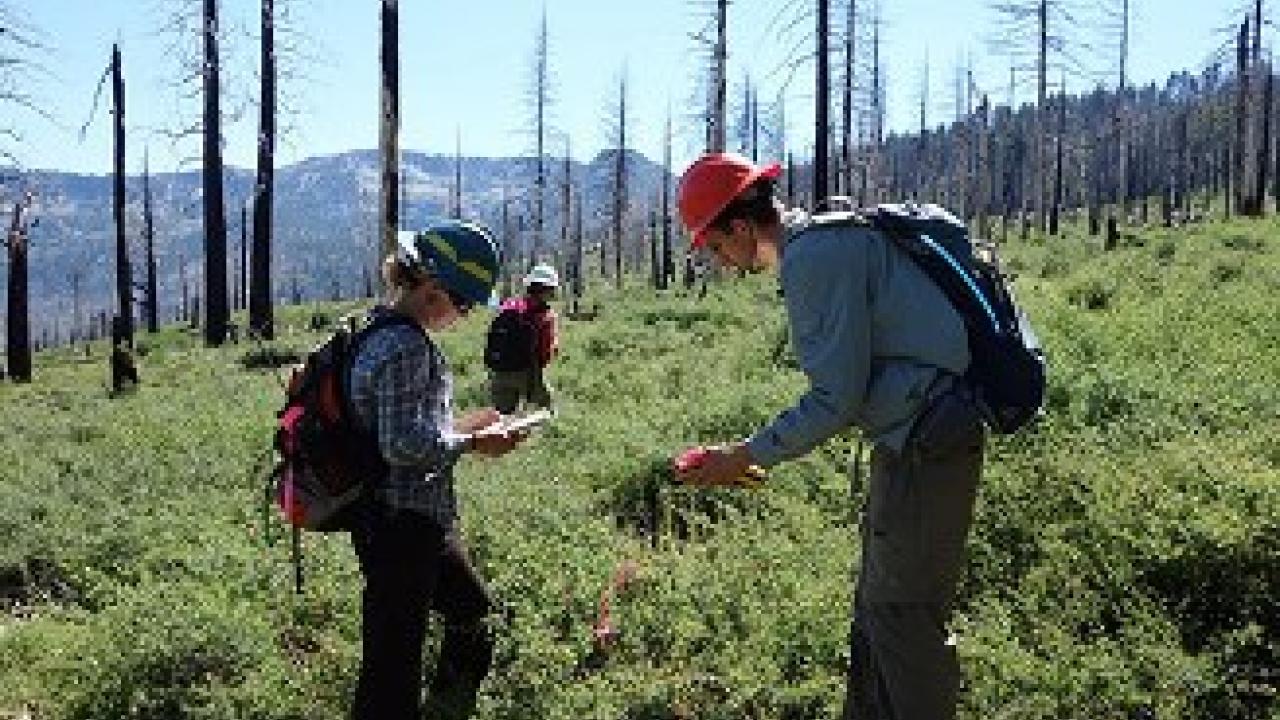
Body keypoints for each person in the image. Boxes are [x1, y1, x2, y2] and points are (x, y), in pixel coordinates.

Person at [672, 153, 985, 720]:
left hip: (928, 440)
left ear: (740, 228)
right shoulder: (826, 241)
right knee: (877, 606)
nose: (719, 262)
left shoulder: (812, 258)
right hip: (917, 435)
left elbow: (835, 400)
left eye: (715, 247)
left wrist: (741, 456)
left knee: (901, 612)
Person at [346, 220, 526, 720]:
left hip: (404, 515)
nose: (464, 316)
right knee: (391, 664)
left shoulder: (375, 326)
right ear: (432, 291)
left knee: (468, 605)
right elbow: (403, 444)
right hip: (400, 521)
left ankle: (455, 689)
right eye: (463, 303)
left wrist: (462, 425)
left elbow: (399, 423)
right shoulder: (406, 346)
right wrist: (472, 441)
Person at [485, 263, 560, 414]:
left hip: (499, 372)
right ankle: (552, 434)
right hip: (528, 372)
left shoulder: (509, 306)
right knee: (547, 410)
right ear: (548, 290)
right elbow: (546, 351)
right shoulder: (544, 315)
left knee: (501, 418)